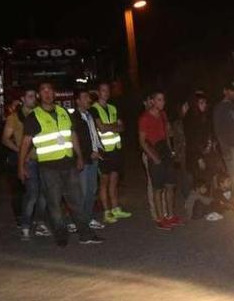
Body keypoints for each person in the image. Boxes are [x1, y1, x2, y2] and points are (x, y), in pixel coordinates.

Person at [18, 82, 103, 246]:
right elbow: (25, 143)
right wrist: (21, 166)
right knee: (54, 204)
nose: (47, 93)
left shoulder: (64, 112)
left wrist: (79, 156)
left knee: (76, 201)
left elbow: (72, 135)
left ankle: (85, 234)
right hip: (49, 168)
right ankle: (61, 234)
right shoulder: (34, 116)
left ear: (54, 94)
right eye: (43, 90)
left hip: (68, 164)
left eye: (50, 90)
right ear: (39, 95)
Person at [2, 89, 51, 240]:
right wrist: (20, 151)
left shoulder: (40, 114)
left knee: (44, 194)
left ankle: (40, 222)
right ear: (22, 99)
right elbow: (5, 138)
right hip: (28, 161)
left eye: (34, 96)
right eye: (30, 96)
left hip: (43, 159)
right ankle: (25, 226)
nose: (33, 99)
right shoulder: (15, 117)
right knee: (32, 194)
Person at [91, 82, 131, 224]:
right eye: (103, 90)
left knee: (114, 180)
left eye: (107, 90)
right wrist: (114, 126)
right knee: (104, 182)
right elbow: (101, 128)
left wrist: (110, 127)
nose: (106, 92)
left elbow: (123, 127)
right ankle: (107, 212)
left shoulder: (113, 108)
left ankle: (115, 208)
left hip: (115, 148)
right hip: (104, 151)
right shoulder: (93, 109)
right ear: (98, 92)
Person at [139, 91, 180, 229]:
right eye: (159, 100)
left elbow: (167, 134)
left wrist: (171, 151)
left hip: (165, 152)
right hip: (154, 152)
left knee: (170, 185)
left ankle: (170, 215)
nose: (162, 102)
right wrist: (154, 157)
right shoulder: (145, 118)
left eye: (163, 99)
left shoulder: (162, 115)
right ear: (152, 101)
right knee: (157, 188)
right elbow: (142, 141)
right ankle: (160, 218)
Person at [72, 90, 106, 230]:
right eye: (85, 97)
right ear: (78, 101)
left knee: (92, 190)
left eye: (88, 97)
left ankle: (88, 218)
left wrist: (99, 148)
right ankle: (79, 220)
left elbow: (93, 134)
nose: (88, 100)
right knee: (83, 191)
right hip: (84, 160)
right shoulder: (74, 117)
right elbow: (76, 140)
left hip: (94, 157)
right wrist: (86, 155)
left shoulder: (90, 114)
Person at [183, 92, 214, 184]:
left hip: (205, 152)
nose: (204, 105)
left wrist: (209, 144)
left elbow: (208, 132)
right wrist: (199, 158)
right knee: (198, 182)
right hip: (194, 155)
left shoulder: (204, 117)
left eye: (205, 102)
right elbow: (191, 139)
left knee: (207, 180)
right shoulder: (190, 118)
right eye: (201, 103)